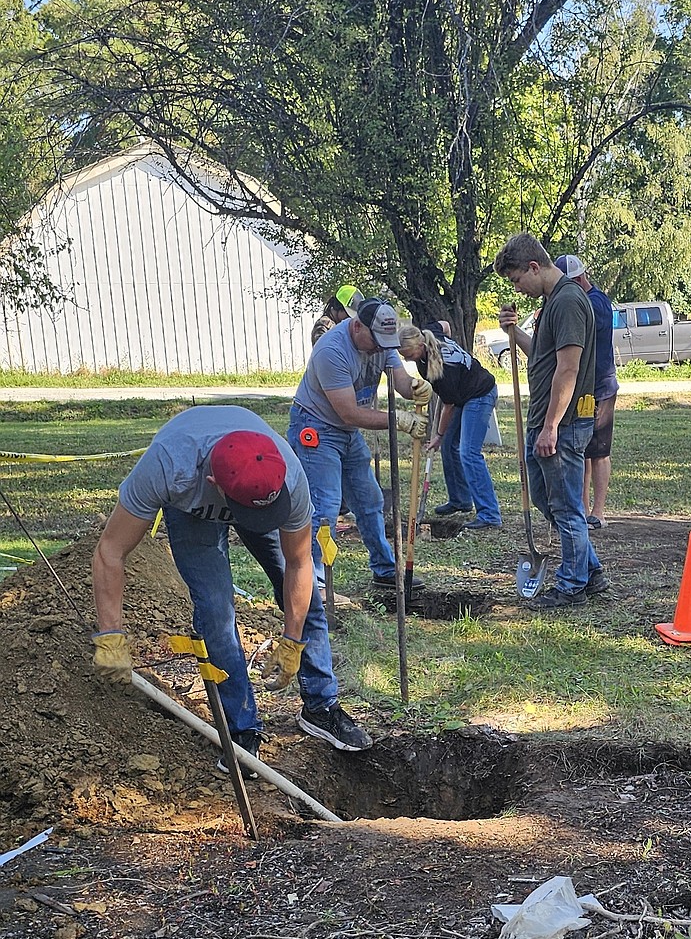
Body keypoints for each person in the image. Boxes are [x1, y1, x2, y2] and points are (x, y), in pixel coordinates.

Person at [90, 407, 373, 765]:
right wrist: (110, 635)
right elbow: (110, 552)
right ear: (214, 485)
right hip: (191, 512)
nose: (256, 523)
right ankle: (241, 728)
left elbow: (299, 564)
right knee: (215, 610)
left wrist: (293, 640)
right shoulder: (168, 466)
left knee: (306, 596)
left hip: (261, 490)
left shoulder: (286, 477)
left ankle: (321, 705)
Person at [287, 296, 426, 607]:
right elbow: (349, 413)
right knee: (325, 506)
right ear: (357, 326)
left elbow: (400, 382)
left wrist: (415, 388)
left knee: (369, 498)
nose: (381, 348)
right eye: (376, 341)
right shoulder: (331, 351)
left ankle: (384, 568)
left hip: (346, 431)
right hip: (317, 427)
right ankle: (316, 584)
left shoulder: (383, 341)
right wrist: (399, 420)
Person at [494, 233, 604, 605]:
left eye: (516, 280)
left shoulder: (569, 301)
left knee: (566, 506)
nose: (517, 289)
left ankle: (572, 586)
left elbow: (568, 369)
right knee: (547, 498)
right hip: (545, 421)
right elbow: (541, 357)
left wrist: (552, 426)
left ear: (534, 267)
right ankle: (591, 569)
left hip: (564, 423)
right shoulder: (552, 303)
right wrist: (513, 332)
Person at [397, 323, 502, 531]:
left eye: (408, 354)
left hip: (480, 394)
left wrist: (438, 435)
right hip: (463, 394)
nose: (406, 359)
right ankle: (460, 500)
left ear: (420, 346)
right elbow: (445, 325)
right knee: (449, 447)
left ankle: (490, 514)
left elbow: (448, 406)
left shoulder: (444, 371)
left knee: (468, 452)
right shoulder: (429, 333)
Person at [554, 255, 618, 528]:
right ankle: (580, 507)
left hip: (600, 387)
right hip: (580, 388)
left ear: (579, 280)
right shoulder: (576, 301)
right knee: (581, 450)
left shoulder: (597, 305)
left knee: (599, 451)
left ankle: (599, 511)